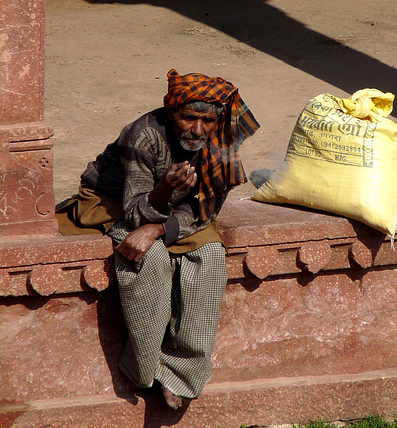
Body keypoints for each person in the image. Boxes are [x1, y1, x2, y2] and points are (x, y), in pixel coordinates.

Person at [56, 70, 259, 408]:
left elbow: (208, 208)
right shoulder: (143, 136)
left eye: (206, 120)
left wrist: (160, 228)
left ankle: (181, 374)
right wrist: (164, 190)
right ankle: (145, 368)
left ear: (217, 119)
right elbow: (135, 213)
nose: (197, 130)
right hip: (114, 202)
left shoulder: (220, 136)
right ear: (171, 113)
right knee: (148, 259)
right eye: (188, 118)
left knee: (208, 256)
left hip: (181, 208)